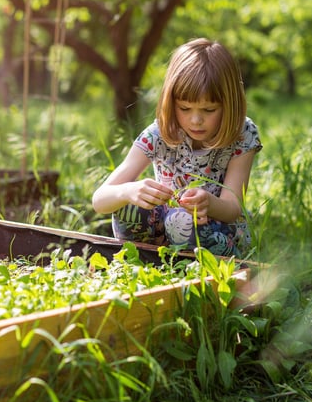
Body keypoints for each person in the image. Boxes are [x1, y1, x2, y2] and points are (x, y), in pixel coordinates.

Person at [92, 38, 262, 257]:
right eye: (185, 108)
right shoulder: (160, 134)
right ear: (171, 103)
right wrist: (128, 190)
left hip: (216, 234)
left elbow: (232, 209)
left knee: (179, 219)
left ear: (229, 104)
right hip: (164, 235)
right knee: (131, 205)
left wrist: (209, 203)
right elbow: (100, 199)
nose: (195, 120)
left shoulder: (242, 134)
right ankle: (144, 261)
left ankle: (192, 274)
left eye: (209, 110)